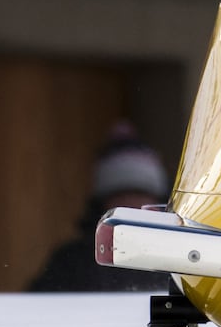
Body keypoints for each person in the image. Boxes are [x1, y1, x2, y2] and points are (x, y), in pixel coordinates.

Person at [28, 122, 172, 293]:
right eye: (121, 196)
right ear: (103, 204)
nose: (132, 205)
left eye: (139, 195)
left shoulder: (176, 258)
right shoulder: (73, 262)